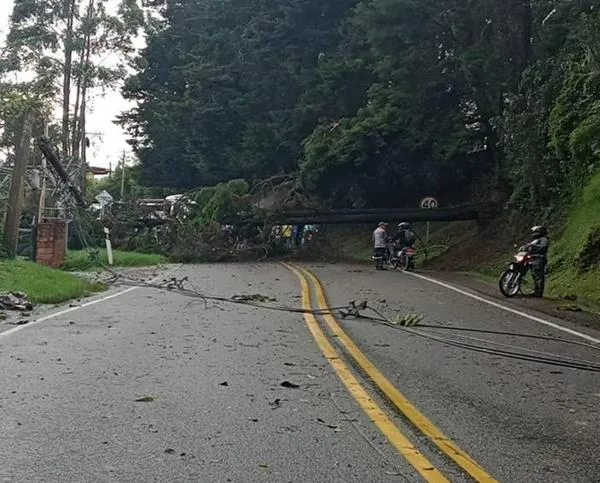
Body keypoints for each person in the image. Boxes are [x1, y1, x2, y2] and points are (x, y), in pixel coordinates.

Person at [526, 225, 549, 297]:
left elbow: (543, 247)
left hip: (539, 258)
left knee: (538, 275)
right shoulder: (536, 240)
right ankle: (536, 290)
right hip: (533, 258)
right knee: (534, 275)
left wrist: (532, 246)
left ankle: (539, 292)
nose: (534, 233)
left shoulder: (544, 239)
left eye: (536, 232)